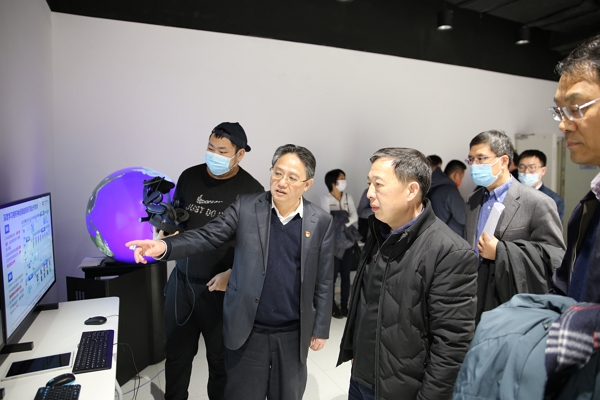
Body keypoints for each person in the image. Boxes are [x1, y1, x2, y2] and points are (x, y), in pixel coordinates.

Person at [127, 144, 334, 400]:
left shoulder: (320, 221)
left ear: (307, 184)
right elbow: (207, 235)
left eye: (292, 178)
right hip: (249, 330)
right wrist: (164, 247)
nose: (282, 182)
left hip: (292, 333)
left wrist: (321, 327)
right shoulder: (247, 207)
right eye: (277, 173)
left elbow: (324, 279)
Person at [337, 147, 478, 400]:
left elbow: (451, 346)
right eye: (369, 184)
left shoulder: (449, 251)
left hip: (401, 388)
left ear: (411, 190)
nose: (369, 193)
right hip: (361, 376)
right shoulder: (379, 231)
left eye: (378, 185)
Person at [161, 122, 264, 400]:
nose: (214, 155)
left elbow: (255, 248)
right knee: (176, 354)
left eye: (222, 151)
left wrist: (233, 273)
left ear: (240, 154)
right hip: (181, 284)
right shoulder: (189, 177)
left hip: (220, 289)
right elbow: (178, 221)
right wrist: (166, 233)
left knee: (220, 361)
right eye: (210, 148)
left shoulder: (251, 191)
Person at [464, 130, 565, 321]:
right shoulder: (473, 200)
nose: (474, 165)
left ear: (503, 161)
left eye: (481, 159)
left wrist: (501, 251)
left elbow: (555, 256)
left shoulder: (537, 202)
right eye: (471, 159)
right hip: (475, 296)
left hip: (512, 300)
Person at [551, 34, 600, 303]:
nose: (563, 125)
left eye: (576, 108)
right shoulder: (586, 208)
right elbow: (566, 290)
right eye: (560, 111)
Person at [321, 169, 359, 319]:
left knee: (346, 275)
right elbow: (327, 220)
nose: (344, 181)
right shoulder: (326, 198)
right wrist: (344, 216)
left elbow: (354, 216)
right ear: (333, 182)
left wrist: (341, 221)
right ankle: (332, 307)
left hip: (347, 242)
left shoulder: (348, 197)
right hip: (333, 244)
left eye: (344, 178)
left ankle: (344, 305)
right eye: (341, 178)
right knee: (331, 276)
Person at [517, 149, 565, 221]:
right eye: (522, 167)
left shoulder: (553, 200)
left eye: (532, 167)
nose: (526, 171)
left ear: (543, 171)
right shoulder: (511, 193)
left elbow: (552, 227)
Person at [426, 155, 466, 236]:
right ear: (456, 175)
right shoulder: (450, 191)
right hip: (450, 238)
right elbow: (463, 218)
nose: (461, 180)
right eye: (461, 177)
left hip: (434, 235)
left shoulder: (431, 188)